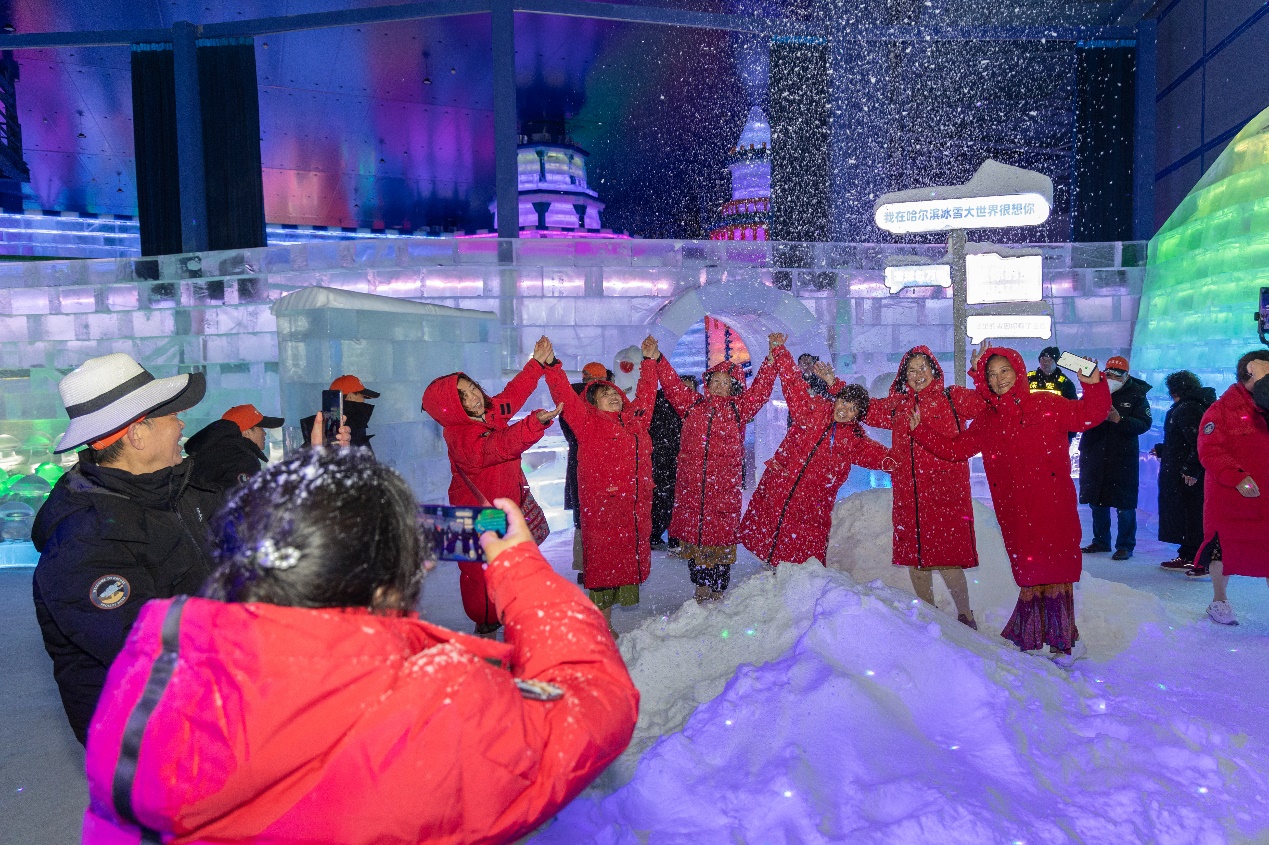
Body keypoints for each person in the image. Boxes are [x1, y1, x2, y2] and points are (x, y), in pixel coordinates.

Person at [81, 448, 639, 844]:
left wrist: (321, 516)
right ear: (382, 583)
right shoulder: (435, 708)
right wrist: (522, 572)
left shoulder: (150, 684)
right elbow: (594, 703)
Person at [30, 352, 217, 745]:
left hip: (205, 710)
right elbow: (151, 648)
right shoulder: (84, 538)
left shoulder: (173, 491)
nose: (181, 424)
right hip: (152, 735)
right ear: (137, 433)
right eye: (170, 415)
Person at [911, 346, 1109, 667]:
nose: (998, 379)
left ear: (1018, 371)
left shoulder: (1046, 403)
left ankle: (1063, 643)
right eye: (991, 374)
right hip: (1015, 513)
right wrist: (920, 430)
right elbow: (955, 449)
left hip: (1052, 506)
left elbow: (1092, 413)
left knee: (1054, 568)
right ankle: (1035, 635)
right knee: (1031, 571)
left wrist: (1092, 379)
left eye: (1004, 371)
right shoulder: (988, 421)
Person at [421, 336, 561, 636]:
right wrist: (534, 423)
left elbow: (514, 393)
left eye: (473, 390)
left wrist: (536, 364)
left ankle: (511, 622)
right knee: (482, 579)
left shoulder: (489, 412)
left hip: (504, 505)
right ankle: (487, 634)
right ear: (449, 409)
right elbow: (499, 446)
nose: (473, 398)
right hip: (478, 515)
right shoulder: (459, 436)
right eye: (463, 397)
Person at [739, 339, 894, 568]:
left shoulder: (854, 440)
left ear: (858, 415)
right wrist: (780, 352)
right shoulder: (813, 409)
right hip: (780, 489)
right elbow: (793, 382)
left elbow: (884, 458)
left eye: (852, 409)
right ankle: (769, 577)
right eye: (843, 403)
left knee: (801, 562)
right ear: (836, 399)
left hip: (811, 507)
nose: (844, 411)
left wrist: (918, 459)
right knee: (767, 546)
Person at [862, 345, 986, 629]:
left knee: (948, 560)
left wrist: (978, 373)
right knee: (916, 560)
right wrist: (835, 386)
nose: (918, 375)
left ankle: (965, 616)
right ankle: (929, 616)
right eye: (911, 370)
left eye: (923, 368)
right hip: (910, 495)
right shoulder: (897, 406)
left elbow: (984, 403)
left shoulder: (953, 398)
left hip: (946, 495)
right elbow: (864, 410)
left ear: (934, 370)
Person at [546, 337, 659, 635]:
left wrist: (649, 363)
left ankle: (605, 624)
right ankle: (602, 626)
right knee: (601, 571)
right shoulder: (585, 423)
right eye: (604, 393)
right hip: (603, 512)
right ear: (591, 401)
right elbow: (564, 394)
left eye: (614, 391)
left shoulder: (634, 421)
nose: (612, 395)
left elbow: (647, 395)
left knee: (621, 568)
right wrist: (551, 366)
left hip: (630, 513)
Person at [656, 337, 778, 602]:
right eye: (716, 382)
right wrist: (656, 359)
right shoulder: (691, 405)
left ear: (734, 387)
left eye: (726, 383)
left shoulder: (739, 409)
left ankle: (718, 588)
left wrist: (770, 359)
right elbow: (672, 385)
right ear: (707, 384)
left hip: (723, 490)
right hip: (693, 490)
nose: (721, 387)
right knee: (697, 540)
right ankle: (700, 585)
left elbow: (760, 391)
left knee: (720, 540)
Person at [1196, 350, 1269, 626]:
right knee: (1222, 550)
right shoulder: (1222, 409)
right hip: (1231, 498)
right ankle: (1219, 600)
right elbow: (1209, 449)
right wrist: (1237, 476)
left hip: (1264, 498)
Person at [1079, 355, 1152, 560]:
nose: (1112, 376)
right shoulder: (1095, 389)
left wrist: (1120, 420)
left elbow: (1144, 424)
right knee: (1097, 500)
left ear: (1126, 375)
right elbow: (1079, 413)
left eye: (1117, 373)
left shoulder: (1137, 394)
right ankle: (1101, 541)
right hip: (1095, 453)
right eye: (1109, 372)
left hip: (1122, 457)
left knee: (1125, 504)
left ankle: (1125, 545)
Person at [1154, 371, 1216, 570]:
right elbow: (1187, 440)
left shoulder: (1187, 408)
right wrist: (1165, 450)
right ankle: (1188, 554)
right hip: (1183, 470)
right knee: (1188, 515)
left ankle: (1197, 558)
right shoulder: (1192, 406)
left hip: (1185, 474)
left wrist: (1191, 468)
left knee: (1190, 515)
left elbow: (1199, 442)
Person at [562, 362, 609, 578]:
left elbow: (570, 433)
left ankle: (584, 566)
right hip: (602, 461)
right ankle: (601, 564)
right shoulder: (598, 400)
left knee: (583, 517)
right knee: (603, 515)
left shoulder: (569, 399)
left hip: (577, 462)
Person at [185, 403, 284, 491]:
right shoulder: (244, 459)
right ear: (247, 432)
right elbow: (244, 504)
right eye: (261, 428)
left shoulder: (216, 453)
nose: (264, 433)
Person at [649, 377, 685, 552]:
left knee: (665, 499)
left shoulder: (658, 400)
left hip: (664, 457)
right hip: (666, 457)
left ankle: (666, 536)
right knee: (667, 499)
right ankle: (669, 537)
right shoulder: (664, 401)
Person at [300, 374, 380, 450]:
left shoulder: (321, 423)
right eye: (361, 396)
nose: (363, 401)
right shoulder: (355, 422)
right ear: (350, 396)